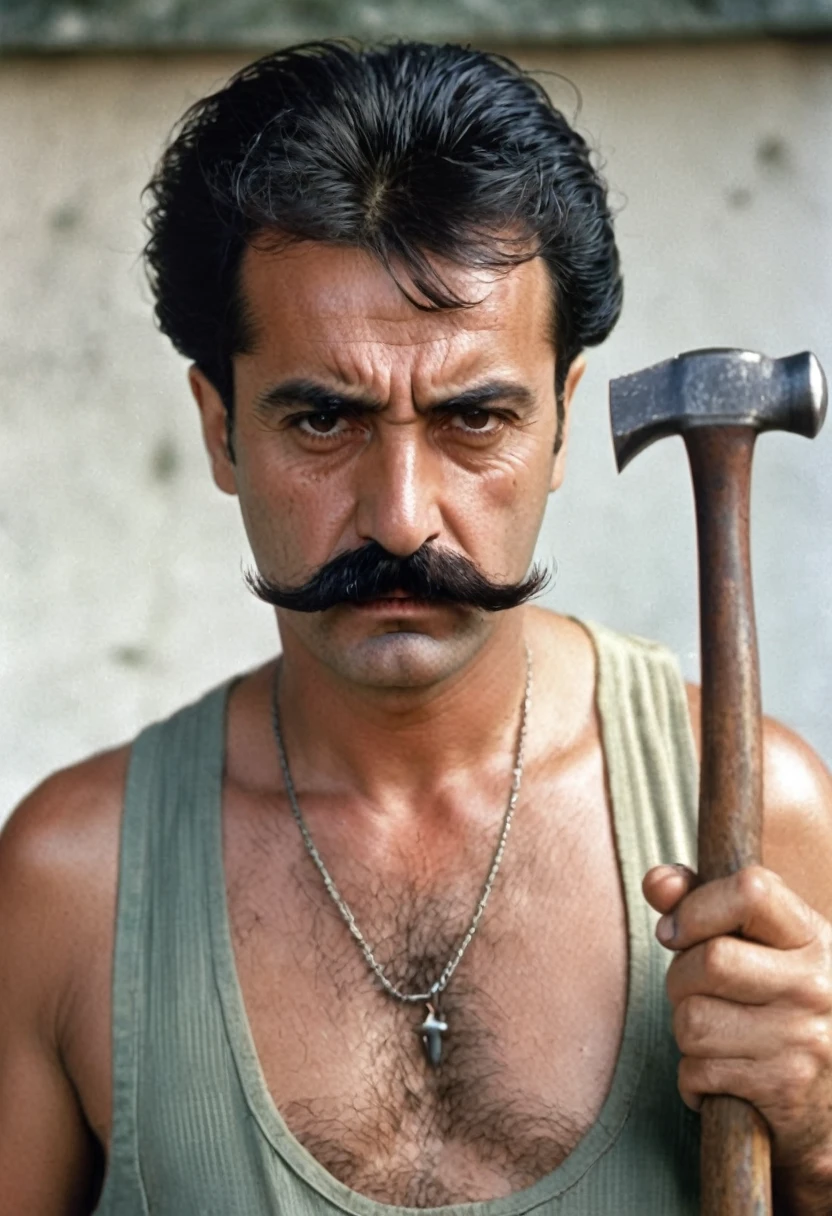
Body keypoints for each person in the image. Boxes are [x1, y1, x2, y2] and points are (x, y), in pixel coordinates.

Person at [1, 40, 831, 1216]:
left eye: (474, 417)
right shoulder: (69, 888)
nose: (399, 516)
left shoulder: (759, 824)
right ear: (222, 429)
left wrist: (815, 1145)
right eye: (324, 421)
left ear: (558, 427)